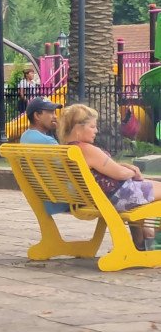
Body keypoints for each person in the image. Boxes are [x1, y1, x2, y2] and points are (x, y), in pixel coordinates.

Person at [58, 104, 161, 249]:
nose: (96, 130)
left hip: (99, 198)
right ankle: (154, 239)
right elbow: (119, 174)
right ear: (78, 128)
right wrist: (134, 171)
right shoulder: (87, 149)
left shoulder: (67, 149)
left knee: (147, 189)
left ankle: (142, 242)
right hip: (118, 197)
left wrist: (126, 168)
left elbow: (107, 167)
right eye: (92, 126)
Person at [19, 97, 69, 214]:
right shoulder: (47, 142)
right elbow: (70, 166)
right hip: (60, 199)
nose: (55, 116)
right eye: (51, 113)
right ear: (37, 116)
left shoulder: (25, 137)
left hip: (44, 196)